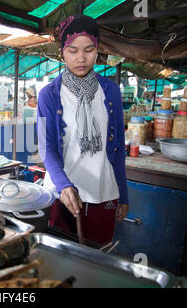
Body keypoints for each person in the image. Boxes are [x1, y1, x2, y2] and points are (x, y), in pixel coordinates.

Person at [37, 14, 129, 246]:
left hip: (103, 193)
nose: (81, 58)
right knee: (62, 268)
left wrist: (123, 195)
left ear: (97, 50)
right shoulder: (48, 95)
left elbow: (118, 149)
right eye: (73, 50)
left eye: (89, 50)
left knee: (98, 264)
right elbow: (46, 148)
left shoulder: (111, 92)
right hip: (62, 196)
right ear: (62, 52)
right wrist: (64, 185)